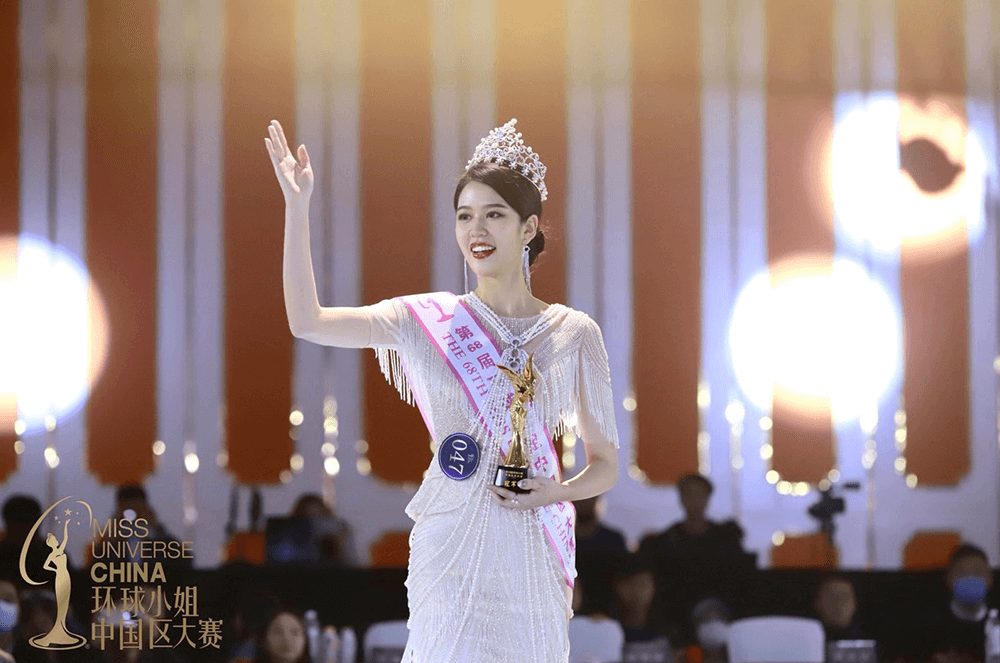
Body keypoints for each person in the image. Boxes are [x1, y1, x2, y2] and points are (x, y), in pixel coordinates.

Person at [266, 116, 620, 663]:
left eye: (494, 215)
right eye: (464, 216)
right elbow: (306, 321)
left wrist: (556, 491)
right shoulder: (423, 320)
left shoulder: (574, 333)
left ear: (528, 228)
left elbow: (606, 464)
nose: (476, 230)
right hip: (450, 538)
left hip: (533, 544)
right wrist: (297, 208)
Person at [900, 543, 994, 662]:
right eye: (962, 573)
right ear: (949, 579)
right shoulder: (925, 624)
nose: (970, 579)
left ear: (990, 578)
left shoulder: (996, 621)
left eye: (977, 573)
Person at [639, 474, 743, 559]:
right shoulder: (667, 540)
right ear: (681, 498)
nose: (694, 501)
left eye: (699, 495)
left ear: (707, 498)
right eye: (689, 495)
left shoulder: (726, 538)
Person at [812, 574, 865, 641]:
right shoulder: (807, 638)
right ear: (817, 603)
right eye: (832, 596)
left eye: (845, 597)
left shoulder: (866, 641)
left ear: (855, 605)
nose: (839, 603)